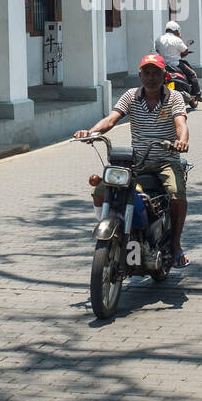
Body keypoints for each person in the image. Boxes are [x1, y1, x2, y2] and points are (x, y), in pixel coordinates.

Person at [75, 54, 192, 267]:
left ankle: (175, 244)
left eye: (156, 73)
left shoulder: (174, 97)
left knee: (176, 194)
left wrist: (181, 141)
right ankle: (110, 227)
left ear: (164, 75)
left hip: (166, 160)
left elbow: (180, 124)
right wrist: (91, 132)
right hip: (137, 161)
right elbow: (111, 119)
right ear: (140, 75)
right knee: (101, 189)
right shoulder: (130, 96)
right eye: (146, 73)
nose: (151, 77)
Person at [155, 20, 200, 100]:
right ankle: (197, 94)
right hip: (176, 64)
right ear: (175, 30)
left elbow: (157, 50)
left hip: (163, 65)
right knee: (192, 74)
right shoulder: (176, 40)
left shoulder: (158, 39)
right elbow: (185, 50)